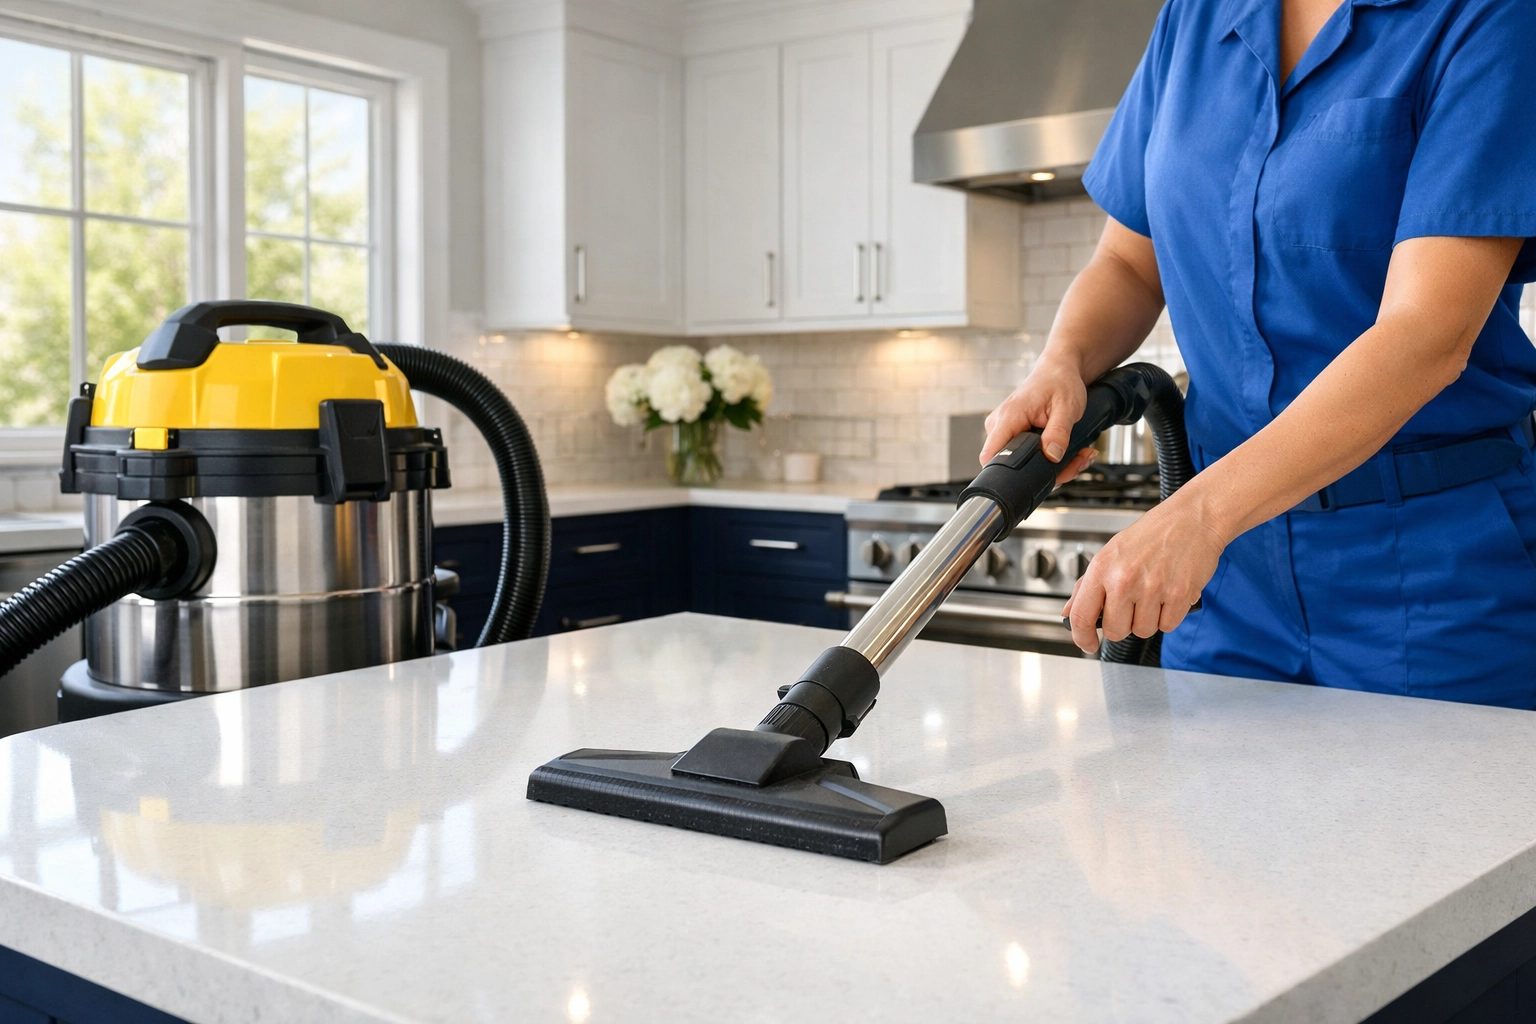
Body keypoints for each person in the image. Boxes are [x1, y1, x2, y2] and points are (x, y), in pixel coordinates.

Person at [982, 0, 1536, 707]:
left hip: (1432, 570)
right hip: (1232, 584)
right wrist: (1062, 360)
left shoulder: (1487, 15)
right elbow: (1127, 262)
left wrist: (1199, 517)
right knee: (1211, 816)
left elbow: (1426, 333)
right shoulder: (1195, 20)